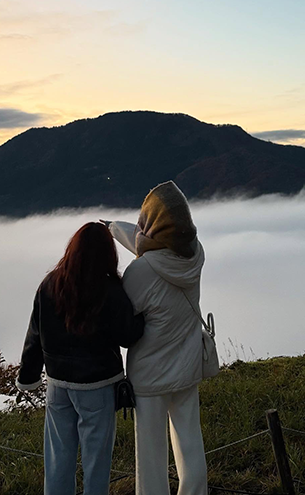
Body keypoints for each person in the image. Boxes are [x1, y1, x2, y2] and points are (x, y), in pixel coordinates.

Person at [16, 222, 145, 495]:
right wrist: (144, 317)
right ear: (107, 253)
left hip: (58, 385)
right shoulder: (110, 289)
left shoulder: (50, 283)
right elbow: (128, 336)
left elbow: (35, 334)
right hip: (98, 385)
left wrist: (28, 377)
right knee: (96, 461)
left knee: (58, 458)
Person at [103, 180, 208, 495]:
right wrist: (113, 227)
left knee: (150, 453)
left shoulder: (141, 271)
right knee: (190, 441)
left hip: (150, 375)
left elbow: (125, 314)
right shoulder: (195, 256)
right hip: (188, 366)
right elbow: (152, 246)